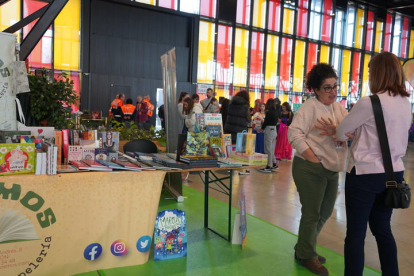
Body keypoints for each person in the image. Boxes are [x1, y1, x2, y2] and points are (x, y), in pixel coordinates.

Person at [336, 52, 411, 276]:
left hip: (365, 174)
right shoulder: (405, 103)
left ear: (377, 73)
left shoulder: (369, 102)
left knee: (356, 234)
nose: (368, 76)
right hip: (394, 174)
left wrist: (355, 131)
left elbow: (341, 132)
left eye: (369, 72)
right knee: (383, 229)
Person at [288, 63, 348, 276]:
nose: (333, 92)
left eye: (335, 86)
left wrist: (341, 134)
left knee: (325, 211)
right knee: (312, 213)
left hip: (331, 169)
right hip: (309, 168)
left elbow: (348, 130)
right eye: (327, 88)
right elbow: (294, 133)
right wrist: (313, 159)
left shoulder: (338, 108)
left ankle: (304, 248)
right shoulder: (309, 107)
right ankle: (307, 255)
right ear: (315, 89)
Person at [258, 99, 278, 172]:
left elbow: (266, 122)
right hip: (274, 130)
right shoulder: (276, 112)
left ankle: (269, 165)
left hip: (269, 130)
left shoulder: (269, 112)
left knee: (268, 148)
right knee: (272, 148)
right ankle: (274, 163)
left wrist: (261, 129)